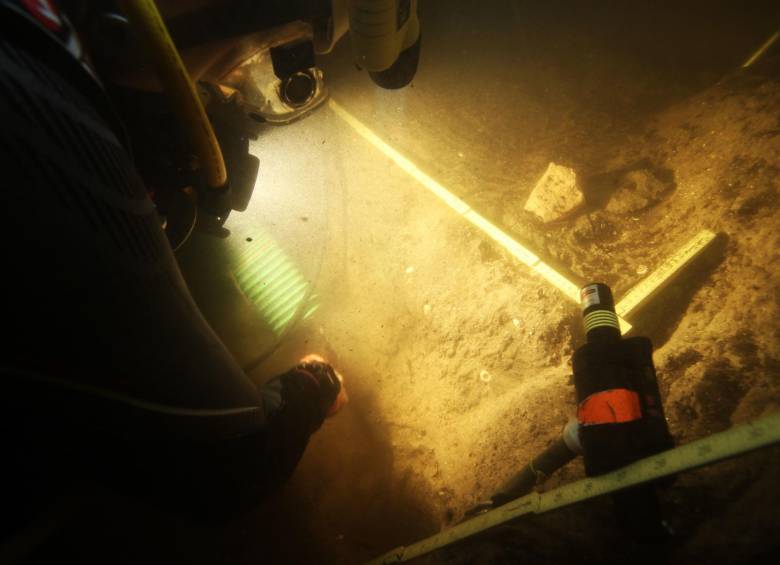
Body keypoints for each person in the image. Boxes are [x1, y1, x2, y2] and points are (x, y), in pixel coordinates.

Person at [0, 0, 347, 542]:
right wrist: (315, 384)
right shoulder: (81, 169)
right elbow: (233, 469)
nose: (233, 86)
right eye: (257, 55)